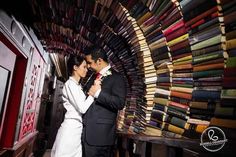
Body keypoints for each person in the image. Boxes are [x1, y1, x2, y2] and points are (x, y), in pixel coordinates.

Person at [51, 54, 101, 157]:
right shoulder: (70, 84)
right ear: (75, 67)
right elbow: (82, 108)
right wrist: (93, 93)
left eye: (87, 67)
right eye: (84, 67)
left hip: (77, 129)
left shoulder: (77, 86)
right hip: (70, 130)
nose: (86, 70)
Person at [82, 46, 127, 157]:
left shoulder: (117, 78)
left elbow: (120, 103)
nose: (88, 66)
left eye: (89, 62)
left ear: (99, 61)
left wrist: (98, 94)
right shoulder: (91, 77)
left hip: (101, 136)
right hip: (85, 133)